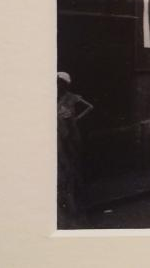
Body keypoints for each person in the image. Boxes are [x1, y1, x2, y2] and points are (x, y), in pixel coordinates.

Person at [57, 72, 94, 227]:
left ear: (65, 84)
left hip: (71, 134)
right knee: (63, 165)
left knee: (72, 163)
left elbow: (90, 107)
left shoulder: (71, 97)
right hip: (60, 133)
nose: (58, 86)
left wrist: (76, 119)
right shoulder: (54, 98)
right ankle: (67, 197)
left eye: (60, 83)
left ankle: (76, 197)